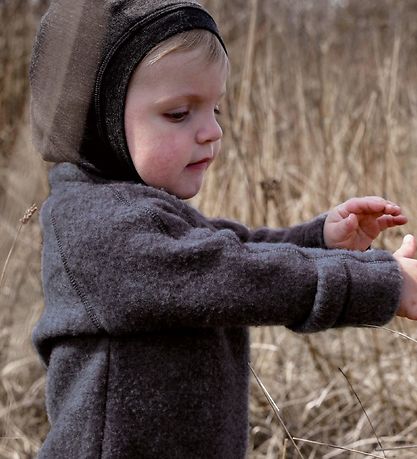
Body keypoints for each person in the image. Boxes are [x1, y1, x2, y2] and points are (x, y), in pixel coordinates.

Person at [29, 1, 417, 458]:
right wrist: (379, 281)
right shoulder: (95, 225)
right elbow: (229, 273)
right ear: (97, 118)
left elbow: (229, 251)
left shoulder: (135, 209)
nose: (212, 131)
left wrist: (320, 240)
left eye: (216, 109)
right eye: (179, 114)